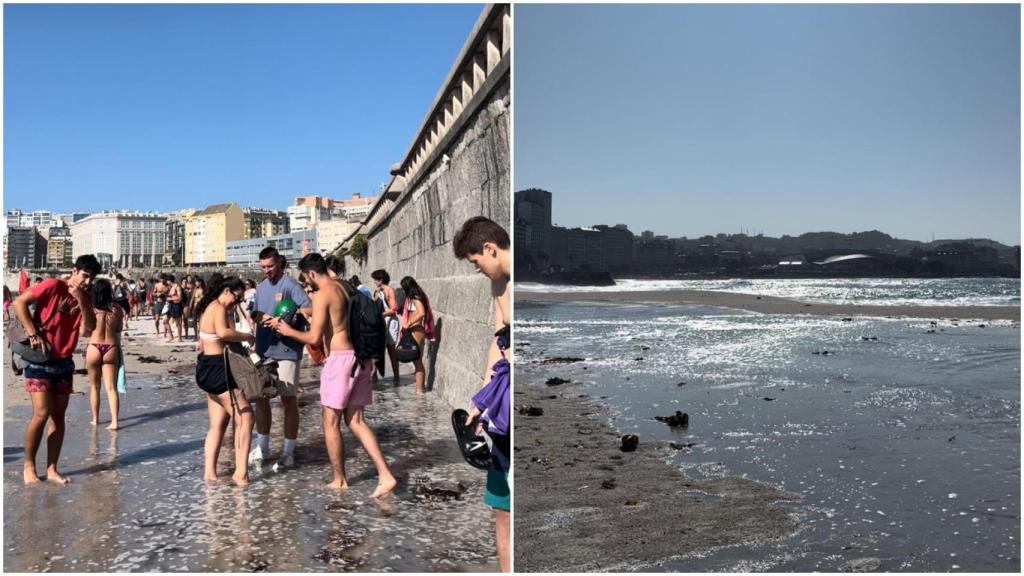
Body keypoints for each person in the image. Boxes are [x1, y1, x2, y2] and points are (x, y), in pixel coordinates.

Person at [274, 253, 397, 497]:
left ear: (311, 273)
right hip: (359, 357)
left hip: (340, 361)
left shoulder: (322, 294)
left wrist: (287, 330)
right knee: (356, 421)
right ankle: (385, 474)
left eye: (307, 280)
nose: (308, 286)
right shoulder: (345, 287)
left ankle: (339, 479)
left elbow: (314, 337)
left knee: (330, 422)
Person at [453, 216, 511, 571]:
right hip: (500, 404)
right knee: (501, 509)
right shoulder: (498, 284)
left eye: (476, 261)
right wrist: (481, 400)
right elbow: (498, 342)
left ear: (490, 249)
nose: (476, 269)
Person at [12, 254, 101, 485]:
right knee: (41, 413)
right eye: (84, 276)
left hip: (64, 361)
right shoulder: (53, 285)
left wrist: (81, 299)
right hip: (40, 359)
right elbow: (18, 302)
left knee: (58, 417)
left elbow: (88, 330)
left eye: (91, 278)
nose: (87, 282)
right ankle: (29, 466)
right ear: (74, 271)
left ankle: (52, 468)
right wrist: (32, 332)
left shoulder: (86, 298)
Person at [249, 247, 311, 468]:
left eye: (270, 266)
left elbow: (309, 309)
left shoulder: (291, 285)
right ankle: (262, 447)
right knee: (261, 398)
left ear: (280, 264)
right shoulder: (261, 286)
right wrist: (263, 318)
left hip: (287, 351)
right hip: (264, 350)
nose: (267, 271)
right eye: (263, 267)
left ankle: (288, 451)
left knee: (288, 400)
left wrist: (288, 319)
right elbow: (254, 313)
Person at [195, 276, 256, 485]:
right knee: (246, 418)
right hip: (219, 370)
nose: (236, 303)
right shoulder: (219, 306)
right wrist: (246, 336)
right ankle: (241, 473)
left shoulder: (209, 306)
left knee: (217, 424)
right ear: (228, 291)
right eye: (237, 298)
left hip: (206, 367)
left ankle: (209, 474)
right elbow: (223, 333)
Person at [85, 279, 124, 431]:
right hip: (111, 347)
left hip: (94, 346)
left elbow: (85, 331)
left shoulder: (91, 309)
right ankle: (114, 422)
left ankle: (95, 419)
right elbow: (119, 329)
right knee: (111, 388)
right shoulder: (117, 309)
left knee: (95, 387)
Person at [398, 276, 436, 394]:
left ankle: (420, 389)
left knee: (417, 361)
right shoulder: (414, 298)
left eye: (404, 288)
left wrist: (409, 322)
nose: (403, 291)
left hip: (416, 330)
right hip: (414, 330)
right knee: (416, 360)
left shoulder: (416, 298)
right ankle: (419, 389)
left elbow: (421, 312)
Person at [370, 270, 401, 385]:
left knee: (392, 351)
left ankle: (396, 377)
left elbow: (394, 309)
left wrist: (380, 314)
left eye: (375, 279)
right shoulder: (377, 292)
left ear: (381, 280)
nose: (374, 282)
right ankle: (375, 377)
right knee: (378, 351)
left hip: (390, 323)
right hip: (380, 323)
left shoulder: (389, 290)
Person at [165, 274, 184, 342]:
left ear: (170, 281)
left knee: (178, 322)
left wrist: (170, 299)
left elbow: (180, 297)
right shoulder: (170, 287)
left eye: (167, 281)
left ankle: (180, 338)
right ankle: (171, 336)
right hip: (171, 305)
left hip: (176, 305)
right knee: (165, 321)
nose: (166, 282)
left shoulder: (177, 287)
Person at [181, 276, 194, 340]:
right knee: (179, 320)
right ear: (181, 283)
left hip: (185, 305)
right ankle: (180, 334)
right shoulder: (179, 288)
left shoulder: (188, 289)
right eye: (184, 282)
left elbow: (191, 297)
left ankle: (186, 333)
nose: (185, 283)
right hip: (179, 304)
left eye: (186, 282)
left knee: (185, 320)